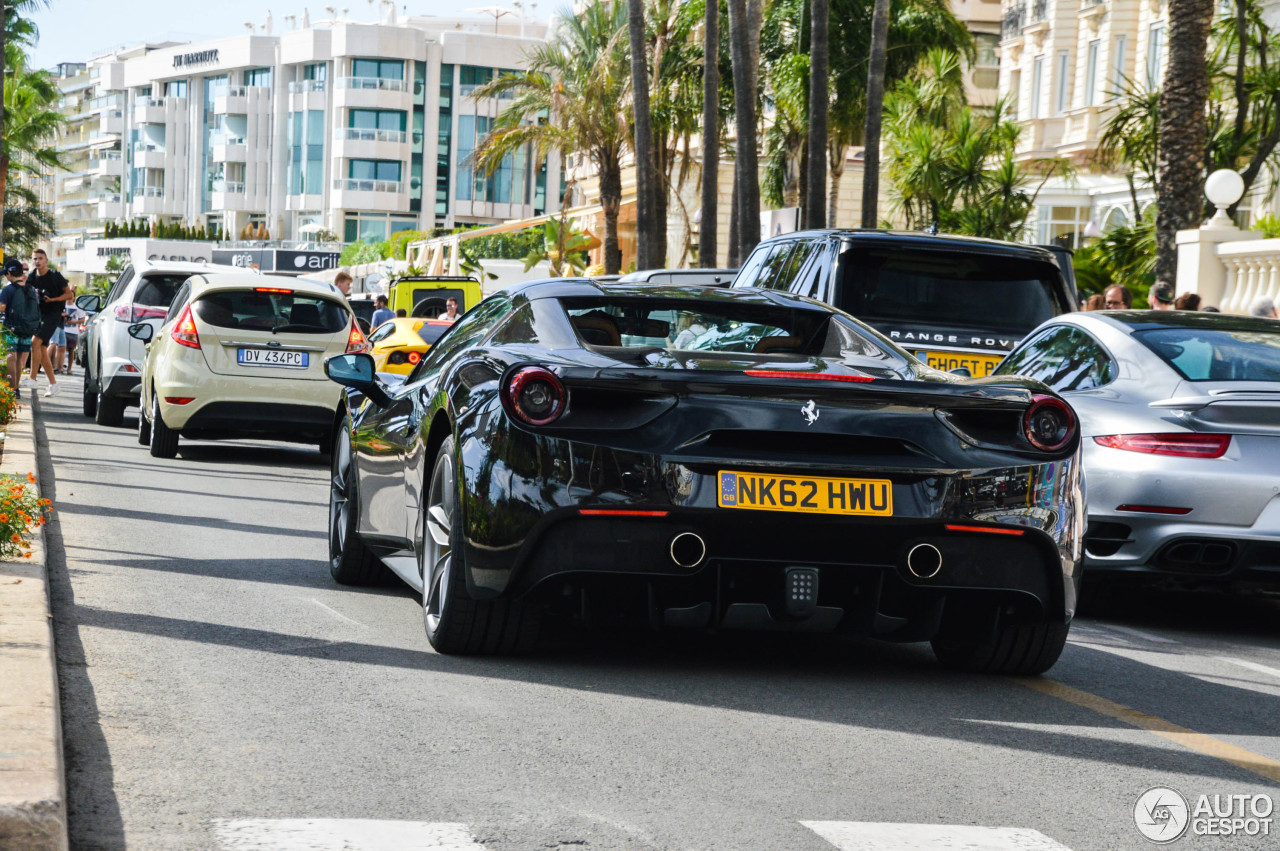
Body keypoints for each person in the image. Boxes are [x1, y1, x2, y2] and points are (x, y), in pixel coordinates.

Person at [27, 249, 71, 396]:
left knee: (35, 342)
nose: (37, 261)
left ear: (46, 260)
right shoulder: (32, 276)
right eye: (35, 259)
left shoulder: (54, 275)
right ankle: (53, 384)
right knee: (41, 349)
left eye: (40, 258)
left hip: (54, 314)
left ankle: (32, 378)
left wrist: (53, 299)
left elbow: (69, 294)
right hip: (40, 314)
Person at [0, 260, 39, 397]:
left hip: (11, 329)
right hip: (28, 330)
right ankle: (16, 388)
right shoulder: (30, 289)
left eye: (6, 274)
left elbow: (2, 307)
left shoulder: (8, 289)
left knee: (11, 358)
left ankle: (11, 389)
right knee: (19, 360)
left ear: (10, 273)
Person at [62, 301, 86, 374]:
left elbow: (82, 319)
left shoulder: (78, 307)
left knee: (71, 350)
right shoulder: (62, 304)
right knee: (61, 349)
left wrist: (73, 322)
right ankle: (60, 366)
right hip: (63, 330)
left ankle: (69, 368)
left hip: (73, 331)